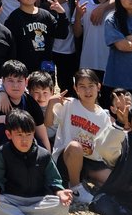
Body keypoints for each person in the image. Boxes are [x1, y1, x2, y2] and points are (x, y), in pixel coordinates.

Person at [0, 109, 72, 215]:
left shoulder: (44, 155)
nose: (24, 140)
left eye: (28, 134)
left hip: (37, 201)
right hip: (11, 199)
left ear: (33, 134)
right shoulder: (2, 154)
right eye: (19, 135)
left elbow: (54, 179)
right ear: (9, 134)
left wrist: (60, 192)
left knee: (63, 205)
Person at [47, 69, 114, 204]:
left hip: (90, 159)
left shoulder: (103, 115)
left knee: (113, 182)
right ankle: (75, 188)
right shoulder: (69, 104)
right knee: (75, 146)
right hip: (68, 155)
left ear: (98, 87)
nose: (87, 91)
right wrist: (51, 103)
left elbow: (105, 146)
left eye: (91, 86)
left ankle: (88, 180)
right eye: (82, 86)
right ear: (76, 89)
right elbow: (48, 123)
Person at [0, 60, 51, 154]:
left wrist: (49, 158)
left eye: (19, 81)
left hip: (26, 151)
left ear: (26, 82)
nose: (15, 85)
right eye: (10, 80)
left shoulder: (31, 103)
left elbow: (42, 136)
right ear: (3, 81)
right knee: (2, 128)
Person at [5, 0, 65, 85]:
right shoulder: (14, 19)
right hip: (24, 70)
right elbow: (10, 47)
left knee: (45, 93)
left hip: (46, 68)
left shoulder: (45, 15)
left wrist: (62, 14)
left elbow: (62, 34)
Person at [76, 0, 117, 90]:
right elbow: (77, 33)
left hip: (112, 60)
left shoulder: (118, 6)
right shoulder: (82, 4)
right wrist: (78, 16)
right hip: (89, 59)